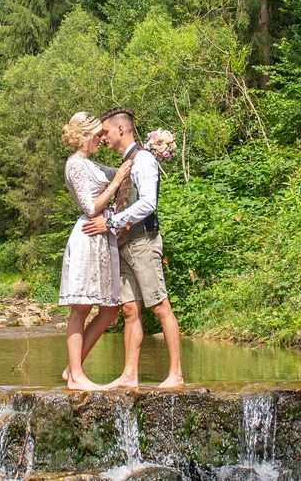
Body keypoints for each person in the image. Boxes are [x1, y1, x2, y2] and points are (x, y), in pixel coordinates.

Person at [82, 107, 185, 389]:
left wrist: (112, 221)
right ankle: (130, 374)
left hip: (143, 242)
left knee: (160, 306)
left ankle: (176, 374)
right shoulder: (126, 163)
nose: (102, 138)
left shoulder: (144, 161)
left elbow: (148, 203)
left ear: (120, 130)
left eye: (104, 132)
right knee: (129, 310)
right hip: (125, 244)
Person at [57, 112, 127, 391]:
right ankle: (77, 376)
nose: (102, 138)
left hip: (104, 235)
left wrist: (150, 151)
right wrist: (116, 180)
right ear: (85, 136)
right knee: (82, 307)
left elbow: (123, 172)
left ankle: (70, 369)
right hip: (88, 235)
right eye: (98, 134)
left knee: (110, 311)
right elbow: (90, 206)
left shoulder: (91, 164)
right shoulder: (74, 165)